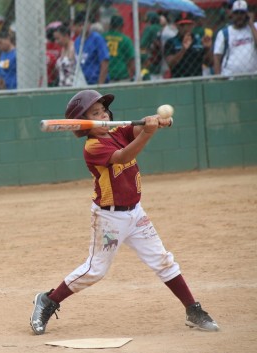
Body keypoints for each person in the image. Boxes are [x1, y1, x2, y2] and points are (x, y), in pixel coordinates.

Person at [29, 89, 220, 336]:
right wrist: (149, 133)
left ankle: (193, 310)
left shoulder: (117, 131)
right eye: (96, 113)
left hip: (135, 213)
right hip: (109, 218)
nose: (104, 115)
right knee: (95, 270)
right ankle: (48, 300)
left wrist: (153, 122)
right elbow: (123, 156)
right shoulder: (93, 147)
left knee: (163, 260)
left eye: (104, 110)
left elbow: (137, 130)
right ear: (85, 124)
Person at [213, 0, 257, 76]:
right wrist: (218, 78)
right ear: (232, 15)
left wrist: (251, 25)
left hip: (252, 76)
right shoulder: (224, 33)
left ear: (247, 15)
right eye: (236, 13)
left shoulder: (254, 28)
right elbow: (217, 57)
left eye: (242, 13)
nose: (239, 16)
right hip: (230, 76)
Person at [164, 13, 213, 78]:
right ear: (177, 26)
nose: (186, 28)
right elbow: (170, 64)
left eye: (189, 24)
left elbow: (209, 63)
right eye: (182, 25)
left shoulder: (198, 40)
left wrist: (207, 49)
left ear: (193, 25)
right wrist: (183, 49)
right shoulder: (171, 42)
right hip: (179, 80)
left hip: (197, 79)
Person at [72, 12, 110, 85]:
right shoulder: (77, 42)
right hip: (83, 82)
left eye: (84, 24)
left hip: (96, 81)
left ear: (89, 25)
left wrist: (100, 84)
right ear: (75, 27)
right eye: (80, 25)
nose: (82, 27)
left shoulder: (97, 39)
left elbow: (104, 62)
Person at [103, 15, 135, 82]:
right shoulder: (126, 39)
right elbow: (131, 61)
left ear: (110, 25)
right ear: (122, 26)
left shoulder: (102, 37)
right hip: (122, 75)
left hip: (106, 75)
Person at [140, 12, 164, 80]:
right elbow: (156, 41)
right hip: (153, 53)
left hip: (146, 53)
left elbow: (143, 43)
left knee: (144, 70)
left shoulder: (149, 28)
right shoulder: (159, 27)